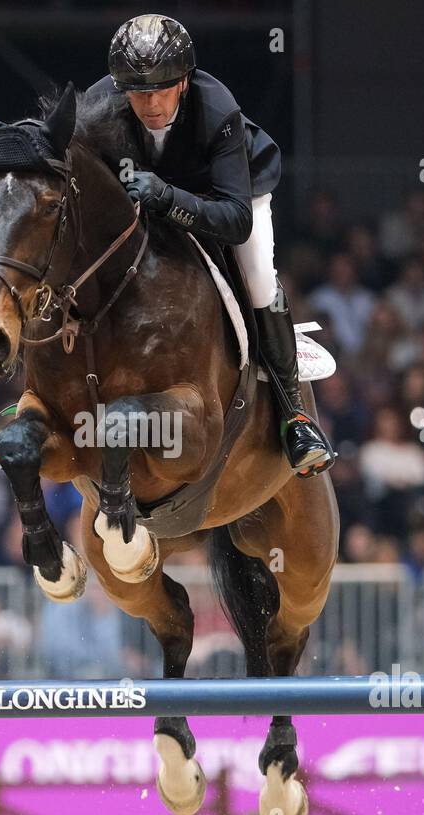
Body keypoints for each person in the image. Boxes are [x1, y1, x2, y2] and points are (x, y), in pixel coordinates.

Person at [86, 14, 334, 477]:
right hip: (153, 194)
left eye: (162, 90)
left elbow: (236, 220)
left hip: (231, 193)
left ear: (183, 82)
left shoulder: (218, 108)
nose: (151, 104)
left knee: (258, 278)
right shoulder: (102, 104)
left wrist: (168, 196)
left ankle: (293, 415)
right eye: (139, 93)